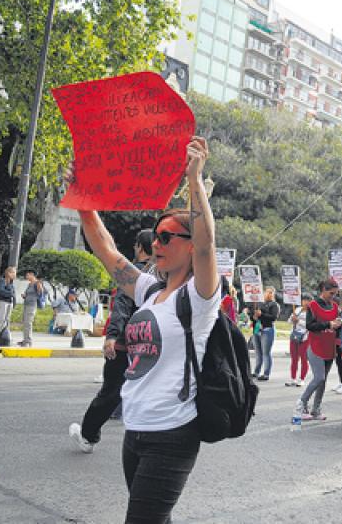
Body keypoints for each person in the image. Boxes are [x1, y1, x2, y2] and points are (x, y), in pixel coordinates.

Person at [75, 136, 219, 521]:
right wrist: (84, 202)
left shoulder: (200, 297)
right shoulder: (150, 290)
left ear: (188, 246)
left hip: (172, 433)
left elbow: (207, 246)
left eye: (167, 237)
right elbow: (109, 253)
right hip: (136, 430)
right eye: (156, 235)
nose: (156, 242)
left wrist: (194, 179)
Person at [69, 229, 154, 452]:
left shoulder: (135, 275)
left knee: (111, 391)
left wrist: (112, 336)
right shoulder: (165, 275)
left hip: (126, 344)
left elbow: (122, 306)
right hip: (152, 344)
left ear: (140, 247)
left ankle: (88, 436)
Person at [293, 280, 342, 422]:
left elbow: (335, 325)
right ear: (323, 290)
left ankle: (316, 409)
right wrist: (328, 324)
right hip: (315, 346)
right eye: (331, 293)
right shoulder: (313, 305)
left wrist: (338, 324)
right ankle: (301, 405)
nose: (333, 296)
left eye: (335, 293)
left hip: (329, 347)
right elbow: (310, 325)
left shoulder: (334, 306)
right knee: (319, 377)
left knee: (323, 381)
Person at [252, 287, 280, 381]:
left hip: (267, 330)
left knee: (265, 353)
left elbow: (273, 317)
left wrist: (261, 315)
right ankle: (256, 372)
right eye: (267, 292)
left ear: (273, 295)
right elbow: (255, 317)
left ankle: (266, 374)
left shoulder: (274, 305)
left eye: (271, 293)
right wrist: (254, 316)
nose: (269, 294)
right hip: (257, 330)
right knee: (258, 353)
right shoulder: (259, 303)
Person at [286, 295, 311, 387]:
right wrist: (292, 319)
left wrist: (298, 321)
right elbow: (289, 321)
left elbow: (310, 325)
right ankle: (293, 378)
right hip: (294, 336)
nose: (305, 302)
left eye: (307, 300)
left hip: (305, 338)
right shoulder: (297, 310)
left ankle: (302, 379)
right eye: (304, 300)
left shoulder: (312, 312)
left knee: (304, 359)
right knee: (294, 359)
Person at [18, 270, 44, 346]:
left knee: (28, 323)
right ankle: (25, 339)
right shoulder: (29, 284)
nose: (26, 277)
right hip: (26, 304)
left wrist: (35, 297)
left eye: (27, 275)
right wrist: (24, 296)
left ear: (32, 275)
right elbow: (27, 293)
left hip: (32, 305)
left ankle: (28, 341)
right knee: (25, 322)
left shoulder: (37, 283)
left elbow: (40, 294)